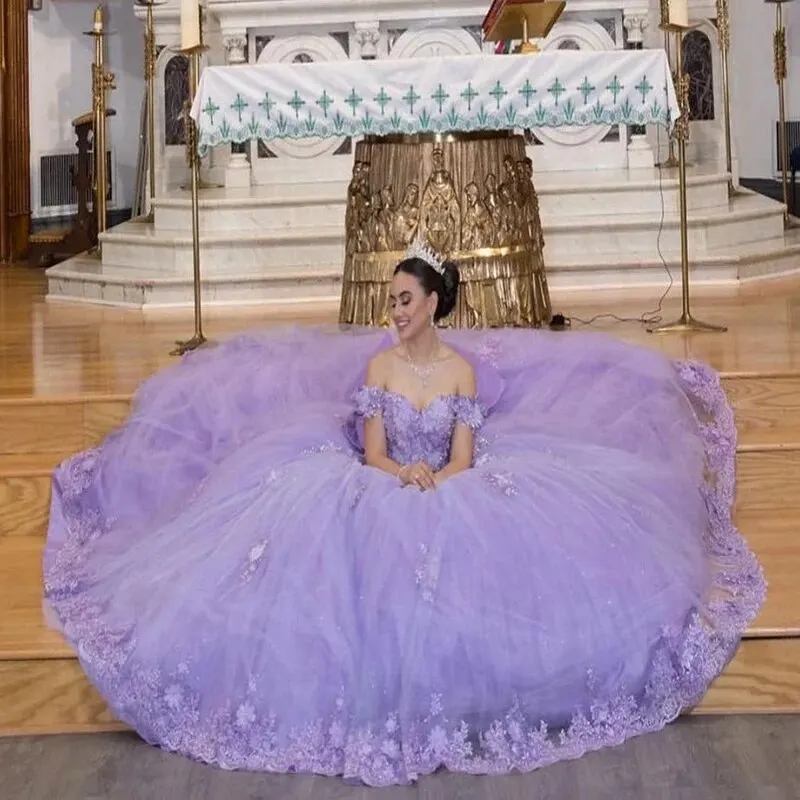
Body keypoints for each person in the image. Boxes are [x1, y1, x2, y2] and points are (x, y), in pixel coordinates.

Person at [43, 243, 765, 787]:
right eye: (390, 299)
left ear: (432, 303)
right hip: (383, 484)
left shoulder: (460, 374)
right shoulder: (380, 372)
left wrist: (441, 480)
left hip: (448, 487)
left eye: (404, 299)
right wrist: (401, 475)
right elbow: (373, 453)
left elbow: (465, 456)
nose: (393, 310)